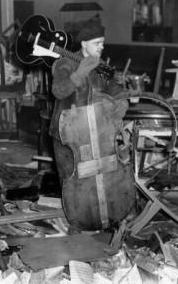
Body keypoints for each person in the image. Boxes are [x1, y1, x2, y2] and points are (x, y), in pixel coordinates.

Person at [49, 21, 129, 183]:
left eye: (103, 43)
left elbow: (115, 90)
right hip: (67, 135)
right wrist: (79, 74)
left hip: (95, 133)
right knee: (70, 182)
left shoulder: (101, 66)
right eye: (97, 43)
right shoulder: (66, 63)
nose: (102, 47)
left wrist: (123, 101)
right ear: (84, 44)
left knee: (95, 182)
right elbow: (58, 91)